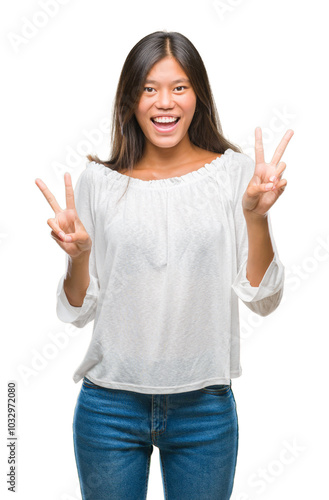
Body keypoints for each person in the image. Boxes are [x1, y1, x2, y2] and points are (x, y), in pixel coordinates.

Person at [35, 30, 293, 500]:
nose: (164, 102)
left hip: (204, 412)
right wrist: (79, 258)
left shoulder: (232, 173)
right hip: (108, 409)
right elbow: (76, 310)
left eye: (179, 87)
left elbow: (265, 299)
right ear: (130, 98)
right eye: (149, 88)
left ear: (198, 95)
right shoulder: (100, 182)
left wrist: (256, 217)